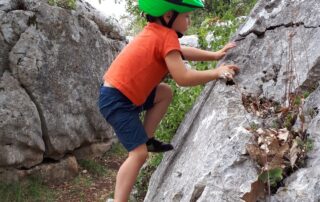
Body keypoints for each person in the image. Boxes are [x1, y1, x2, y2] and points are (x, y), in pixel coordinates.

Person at [99, 0, 239, 201]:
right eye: (187, 16)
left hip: (120, 94)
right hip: (118, 101)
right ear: (168, 16)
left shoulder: (156, 32)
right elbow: (182, 78)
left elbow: (180, 52)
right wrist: (217, 72)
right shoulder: (165, 36)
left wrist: (215, 55)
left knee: (164, 92)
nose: (189, 21)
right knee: (137, 155)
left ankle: (146, 139)